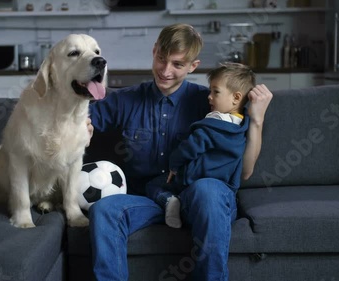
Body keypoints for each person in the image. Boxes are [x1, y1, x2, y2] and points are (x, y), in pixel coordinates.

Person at [86, 23, 272, 281]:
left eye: (177, 64)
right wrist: (80, 125)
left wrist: (257, 120)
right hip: (148, 199)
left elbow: (246, 172)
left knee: (207, 190)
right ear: (154, 52)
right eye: (161, 59)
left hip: (200, 197)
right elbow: (76, 118)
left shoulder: (211, 101)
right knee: (104, 210)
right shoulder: (124, 100)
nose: (165, 71)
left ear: (193, 66)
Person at [145, 62, 256, 229]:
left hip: (192, 178)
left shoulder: (212, 124)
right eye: (210, 90)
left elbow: (189, 148)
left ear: (236, 98)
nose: (209, 96)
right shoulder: (242, 127)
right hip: (224, 184)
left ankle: (170, 201)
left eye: (216, 92)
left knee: (151, 185)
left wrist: (174, 166)